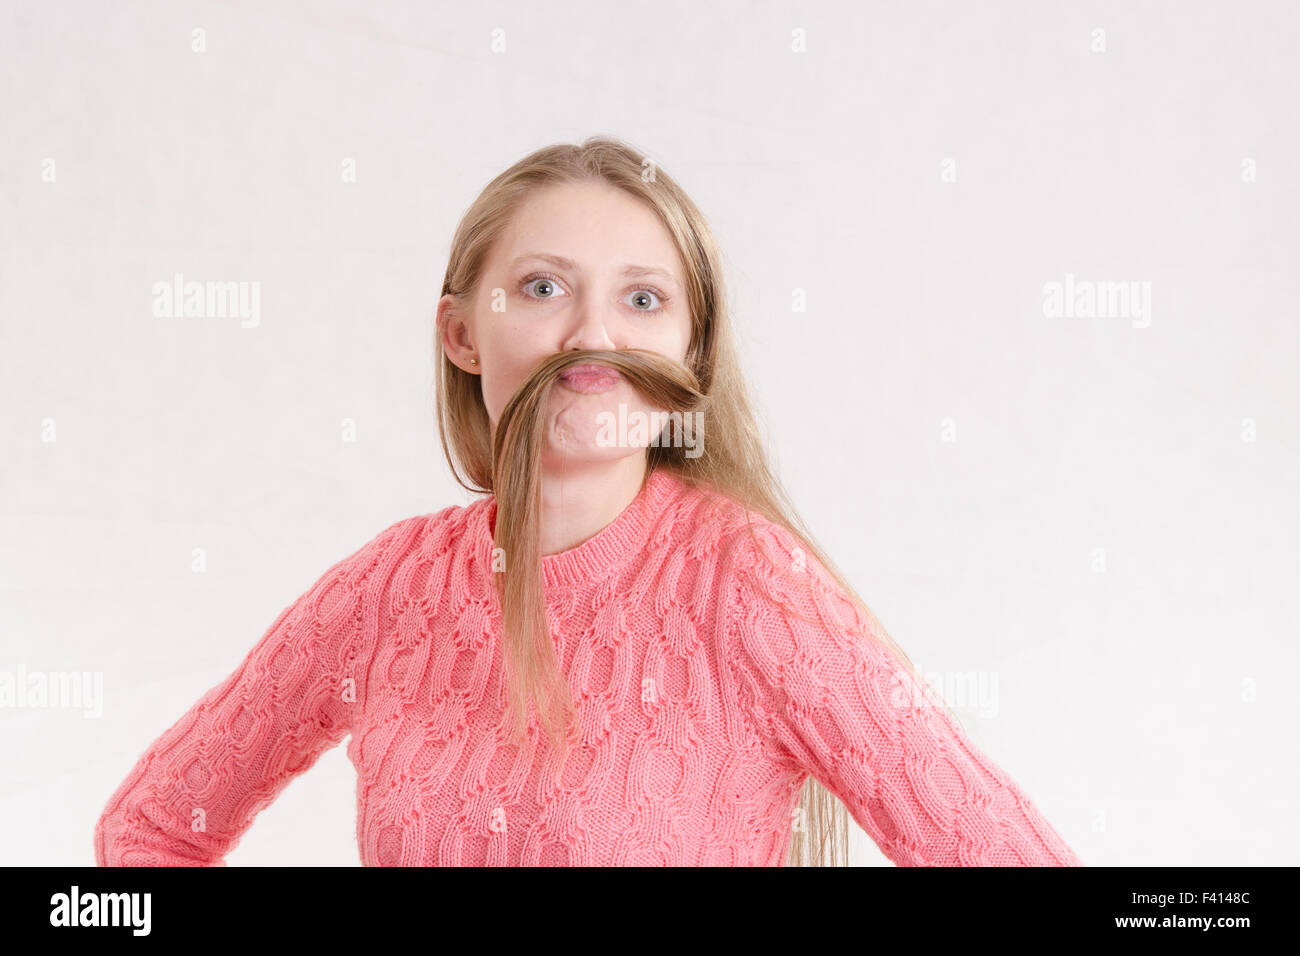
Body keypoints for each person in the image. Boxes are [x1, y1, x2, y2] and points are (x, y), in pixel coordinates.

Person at [94, 136, 1082, 867]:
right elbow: (144, 835)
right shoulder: (389, 588)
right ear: (461, 334)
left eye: (642, 298)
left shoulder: (749, 588)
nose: (590, 332)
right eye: (541, 287)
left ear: (689, 354)